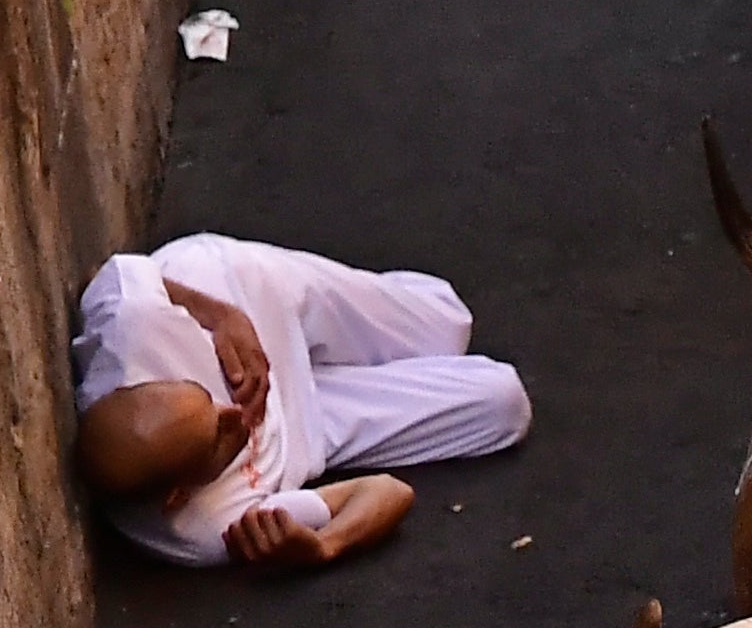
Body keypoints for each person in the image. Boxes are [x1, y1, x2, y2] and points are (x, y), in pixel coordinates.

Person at [71, 238, 530, 570]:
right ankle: (349, 366)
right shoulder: (202, 530)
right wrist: (326, 545)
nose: (233, 411)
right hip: (303, 430)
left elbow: (111, 273)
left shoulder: (130, 331)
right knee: (502, 402)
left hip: (252, 303)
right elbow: (387, 491)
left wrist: (223, 317)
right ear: (178, 495)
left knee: (449, 323)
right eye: (219, 434)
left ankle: (348, 327)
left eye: (205, 397)